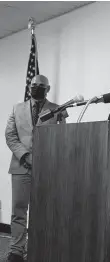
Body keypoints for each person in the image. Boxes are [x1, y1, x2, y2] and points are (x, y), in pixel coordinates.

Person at [5, 75, 68, 262]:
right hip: (20, 166)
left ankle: (40, 246)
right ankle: (16, 250)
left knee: (43, 210)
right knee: (18, 210)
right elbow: (10, 136)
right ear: (29, 87)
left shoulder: (57, 110)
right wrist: (25, 155)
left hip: (47, 168)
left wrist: (43, 158)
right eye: (34, 85)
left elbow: (62, 137)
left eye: (41, 86)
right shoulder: (17, 109)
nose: (37, 88)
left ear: (47, 89)